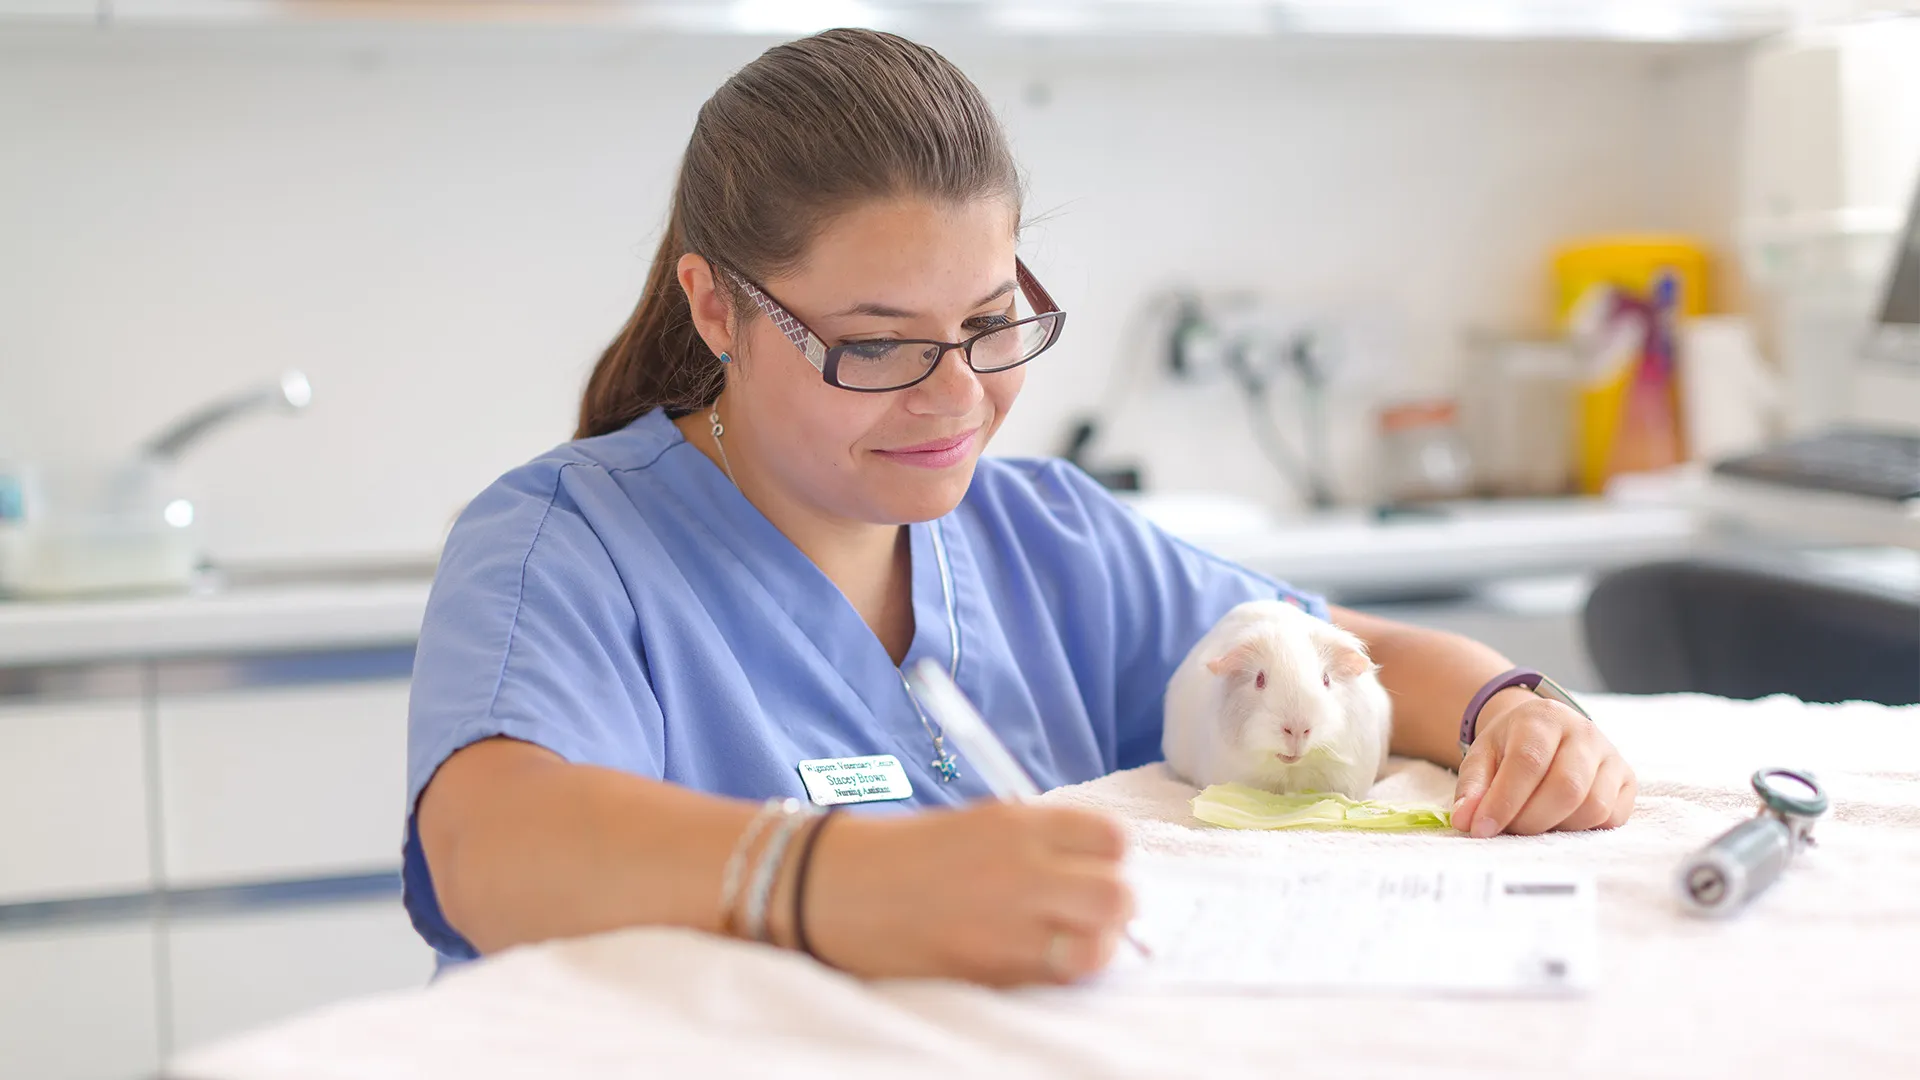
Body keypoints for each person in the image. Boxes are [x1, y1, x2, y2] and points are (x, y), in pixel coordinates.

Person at [406, 27, 1635, 988]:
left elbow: (1354, 658)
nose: (956, 398)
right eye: (879, 347)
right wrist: (835, 881)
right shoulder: (565, 550)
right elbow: (488, 845)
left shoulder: (1045, 536)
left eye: (991, 325)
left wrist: (1511, 709)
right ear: (718, 308)